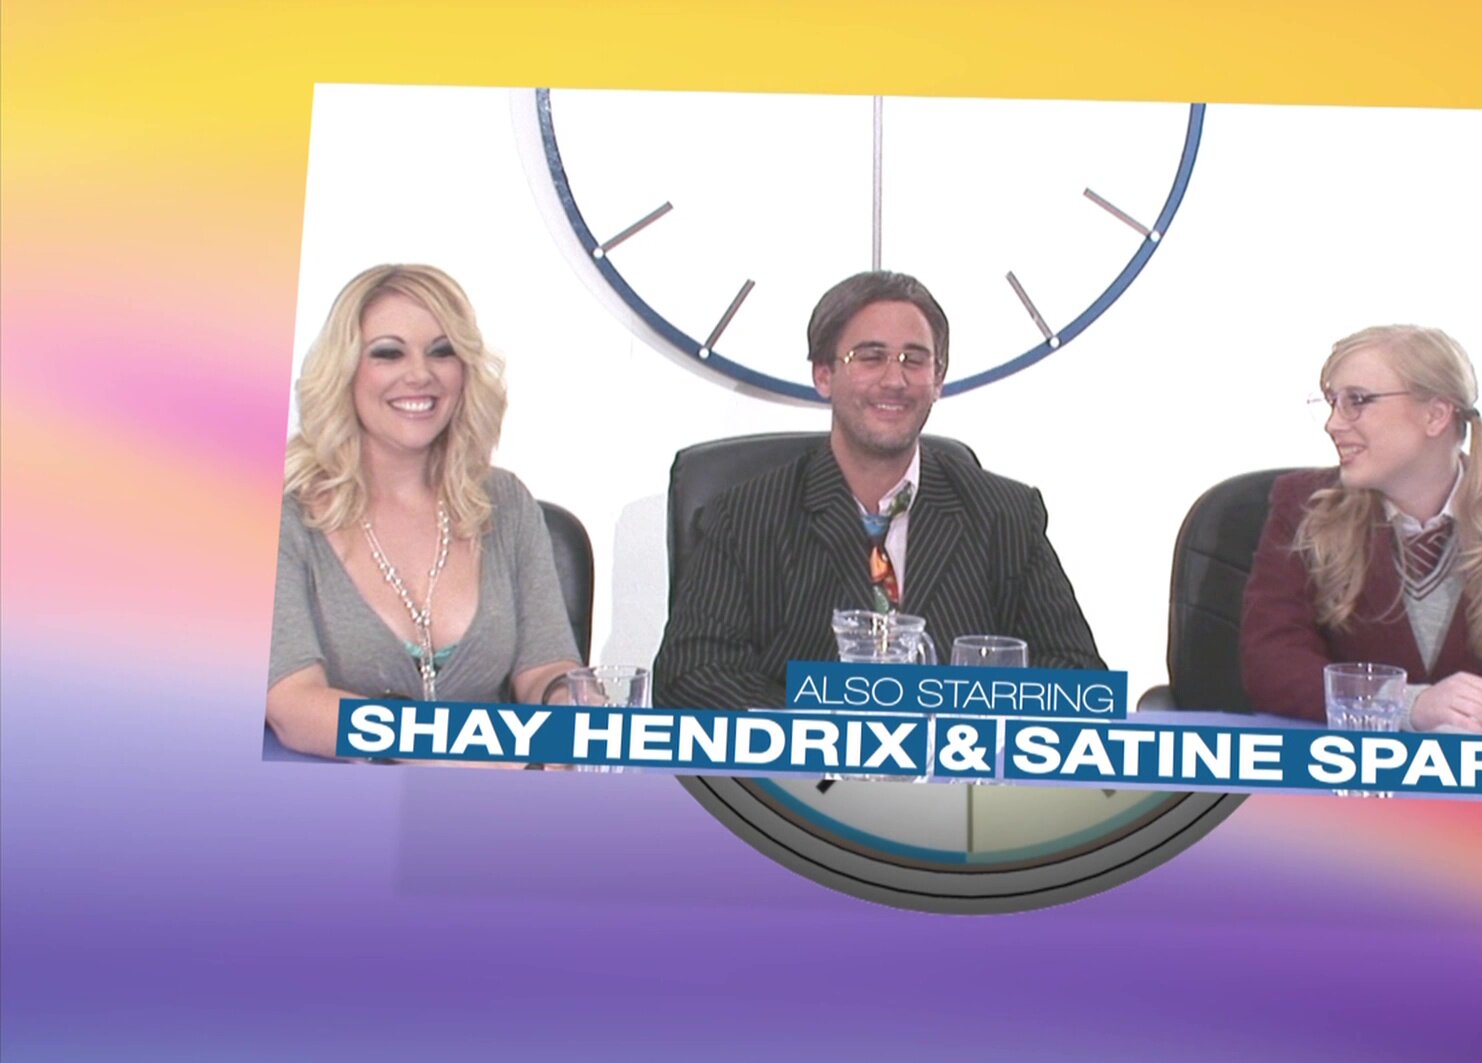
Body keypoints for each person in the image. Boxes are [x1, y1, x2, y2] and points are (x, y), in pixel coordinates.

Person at [653, 270, 1104, 709]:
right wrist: (838, 724)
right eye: (870, 358)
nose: (894, 380)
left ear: (938, 380)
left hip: (958, 758)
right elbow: (688, 676)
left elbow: (1080, 678)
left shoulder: (1006, 515)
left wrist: (946, 712)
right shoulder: (744, 518)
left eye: (914, 360)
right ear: (823, 375)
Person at [1239, 325, 1482, 746]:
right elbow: (1270, 664)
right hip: (1351, 772)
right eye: (1332, 402)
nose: (1332, 423)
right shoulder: (1304, 505)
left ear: (1435, 415)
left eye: (1357, 401)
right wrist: (1405, 703)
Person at [266, 264, 581, 758]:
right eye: (388, 353)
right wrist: (447, 756)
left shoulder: (505, 502)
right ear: (344, 371)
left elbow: (544, 668)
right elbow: (294, 706)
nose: (420, 374)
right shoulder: (282, 515)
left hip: (497, 796)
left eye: (442, 351)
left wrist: (569, 706)